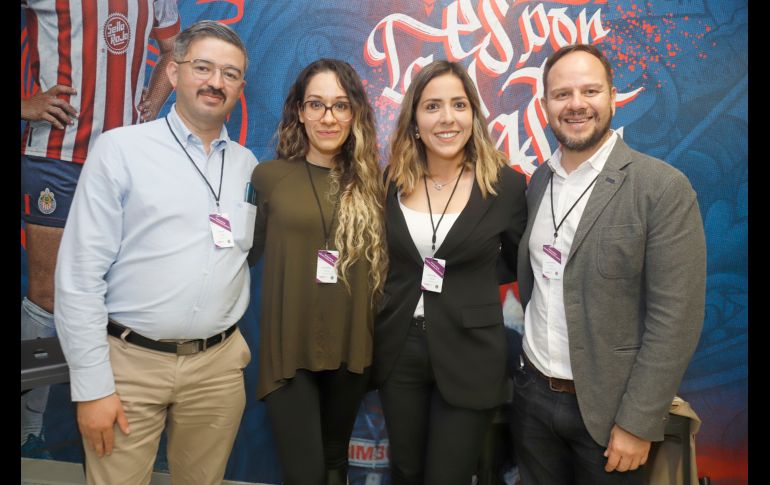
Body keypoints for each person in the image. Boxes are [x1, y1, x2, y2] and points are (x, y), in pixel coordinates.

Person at [54, 20, 255, 485]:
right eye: (203, 67)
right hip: (128, 367)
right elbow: (79, 278)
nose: (215, 82)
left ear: (240, 88)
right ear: (173, 72)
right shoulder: (121, 150)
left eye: (229, 74)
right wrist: (92, 387)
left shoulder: (247, 166)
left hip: (217, 369)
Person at [511, 43, 706, 484]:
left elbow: (676, 318)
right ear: (545, 105)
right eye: (562, 94)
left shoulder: (661, 187)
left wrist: (638, 422)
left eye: (590, 91)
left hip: (611, 415)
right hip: (533, 400)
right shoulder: (540, 181)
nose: (576, 104)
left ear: (613, 97)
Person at [20, 0, 180, 455]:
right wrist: (25, 105)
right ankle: (30, 429)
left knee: (124, 295)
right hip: (55, 157)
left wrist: (150, 105)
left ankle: (124, 424)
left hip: (124, 161)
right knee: (47, 294)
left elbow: (174, 50)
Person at [373, 60, 528, 484]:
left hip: (470, 350)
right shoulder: (390, 181)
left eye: (459, 105)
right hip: (400, 348)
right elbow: (381, 258)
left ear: (473, 115)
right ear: (414, 120)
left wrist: (470, 281)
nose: (447, 118)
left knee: (449, 476)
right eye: (432, 106)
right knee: (405, 471)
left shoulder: (505, 186)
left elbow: (519, 261)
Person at [249, 58, 387, 485]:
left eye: (340, 105)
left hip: (352, 349)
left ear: (355, 113)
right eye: (316, 104)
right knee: (307, 474)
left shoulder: (377, 185)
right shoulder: (268, 177)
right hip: (289, 352)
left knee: (334, 465)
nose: (328, 117)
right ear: (300, 111)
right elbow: (239, 255)